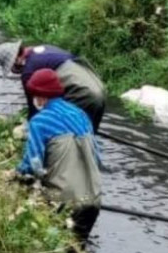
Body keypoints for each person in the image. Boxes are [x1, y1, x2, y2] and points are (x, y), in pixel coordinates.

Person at [16, 68, 103, 243]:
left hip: (63, 202)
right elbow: (98, 158)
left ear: (41, 96)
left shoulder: (40, 121)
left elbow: (32, 166)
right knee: (77, 247)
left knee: (53, 250)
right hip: (94, 199)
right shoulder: (82, 115)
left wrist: (15, 174)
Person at [0, 41, 107, 132]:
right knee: (89, 137)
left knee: (65, 133)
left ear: (15, 60)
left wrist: (27, 127)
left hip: (82, 92)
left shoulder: (28, 71)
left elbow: (35, 109)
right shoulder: (45, 48)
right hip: (98, 88)